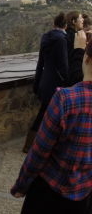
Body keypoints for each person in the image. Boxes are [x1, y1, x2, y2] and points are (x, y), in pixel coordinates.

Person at [11, 36, 91, 214]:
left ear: (86, 58)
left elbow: (39, 152)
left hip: (46, 191)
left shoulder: (66, 98)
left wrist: (21, 184)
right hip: (80, 197)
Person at [24, 13, 69, 153]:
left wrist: (37, 83)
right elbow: (63, 65)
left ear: (54, 24)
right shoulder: (61, 40)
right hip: (55, 82)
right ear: (65, 25)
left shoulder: (46, 37)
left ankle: (30, 144)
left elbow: (40, 63)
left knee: (44, 112)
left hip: (45, 80)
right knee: (47, 114)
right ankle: (31, 145)